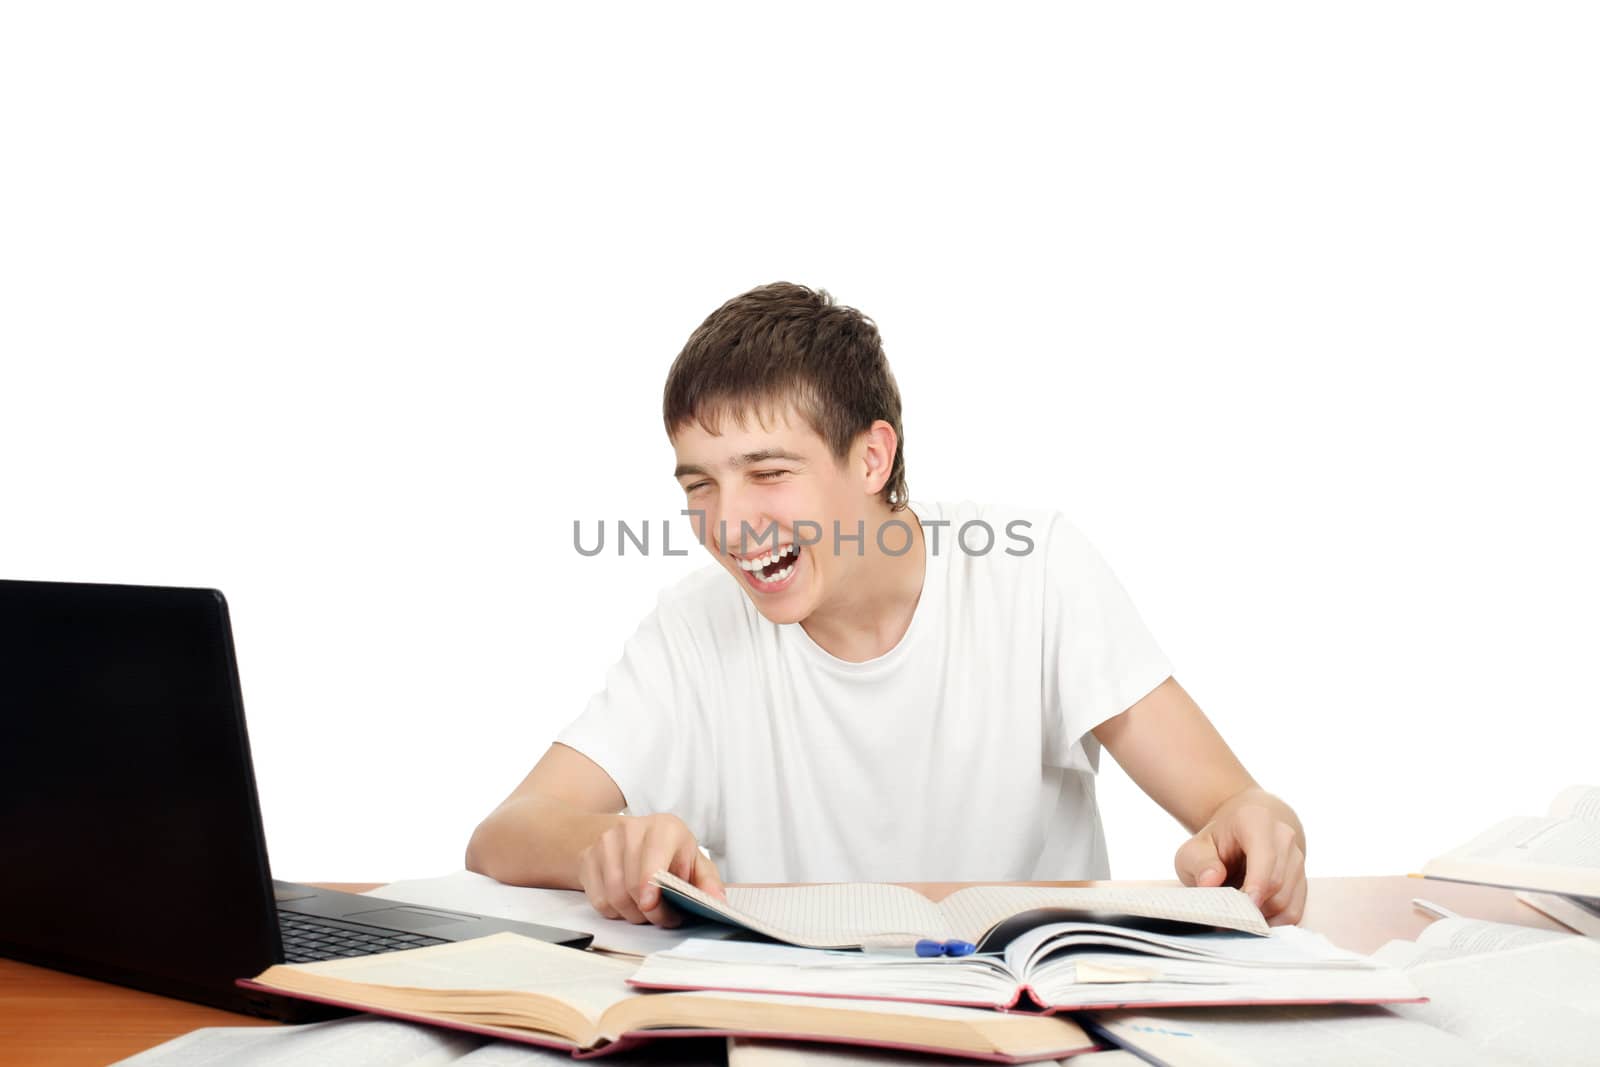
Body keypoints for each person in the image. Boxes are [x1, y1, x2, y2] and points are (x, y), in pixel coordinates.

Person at [466, 282, 1306, 928]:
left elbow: (1230, 805)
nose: (727, 524)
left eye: (768, 473)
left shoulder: (1036, 570)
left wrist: (1254, 828)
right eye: (700, 485)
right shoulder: (695, 630)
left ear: (871, 458)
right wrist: (602, 847)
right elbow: (504, 832)